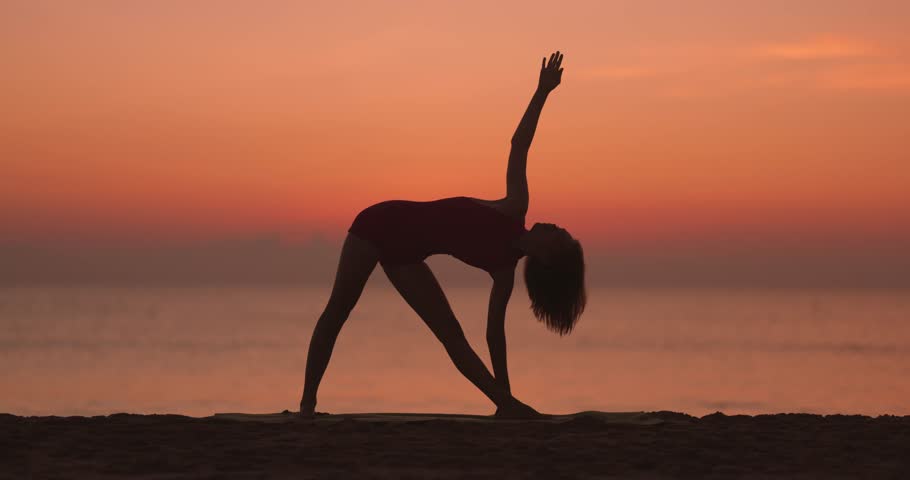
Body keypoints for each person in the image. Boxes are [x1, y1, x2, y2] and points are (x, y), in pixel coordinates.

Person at [300, 51, 586, 419]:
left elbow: (494, 337)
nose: (556, 227)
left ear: (548, 260)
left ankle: (506, 407)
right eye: (561, 230)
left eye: (560, 236)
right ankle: (307, 405)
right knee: (338, 310)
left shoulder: (503, 272)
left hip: (406, 256)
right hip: (379, 223)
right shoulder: (514, 206)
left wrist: (505, 395)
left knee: (451, 336)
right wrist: (542, 92)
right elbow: (519, 145)